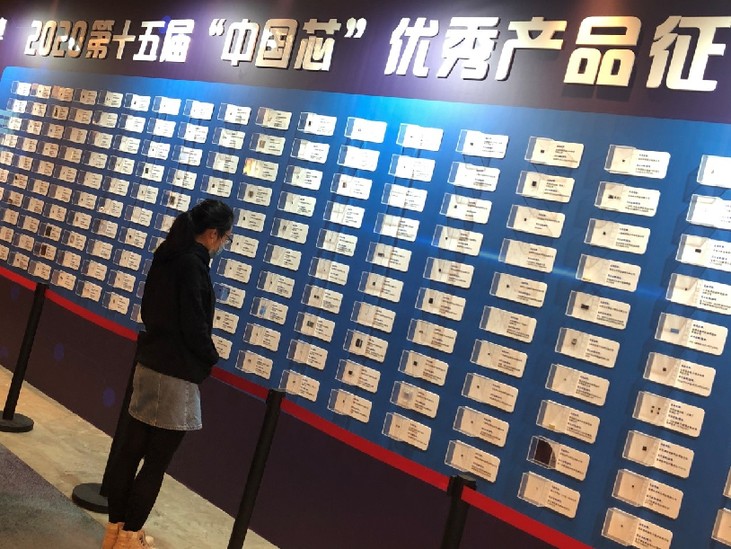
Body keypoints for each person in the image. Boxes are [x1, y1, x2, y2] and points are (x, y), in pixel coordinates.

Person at [102, 199, 234, 549]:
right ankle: (129, 538)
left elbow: (149, 309)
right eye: (226, 237)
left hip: (149, 363)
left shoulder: (167, 255)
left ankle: (114, 533)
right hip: (175, 374)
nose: (224, 244)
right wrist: (210, 358)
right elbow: (194, 324)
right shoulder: (193, 265)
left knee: (130, 453)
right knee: (155, 463)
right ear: (212, 234)